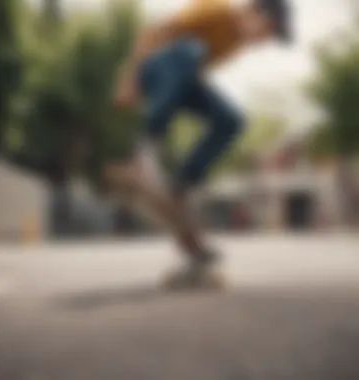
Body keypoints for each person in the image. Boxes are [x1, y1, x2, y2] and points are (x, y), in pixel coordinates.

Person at [106, 0, 293, 285]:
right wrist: (129, 81)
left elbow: (190, 83)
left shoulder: (237, 44)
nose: (264, 42)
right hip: (155, 70)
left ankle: (182, 184)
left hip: (180, 82)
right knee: (191, 51)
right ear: (254, 12)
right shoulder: (216, 9)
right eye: (267, 31)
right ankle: (142, 154)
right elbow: (153, 31)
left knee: (232, 120)